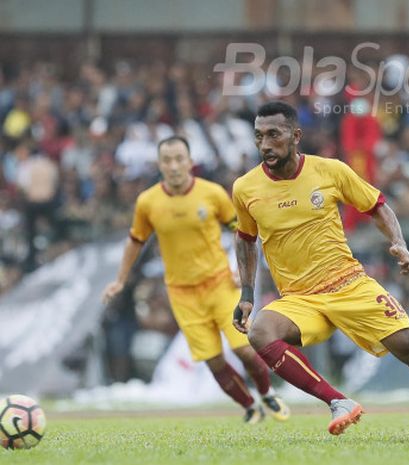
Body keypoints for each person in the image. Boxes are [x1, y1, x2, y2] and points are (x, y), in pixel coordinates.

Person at [231, 101, 409, 442]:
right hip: (299, 299)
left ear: (295, 136)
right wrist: (247, 295)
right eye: (259, 136)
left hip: (349, 285)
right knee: (260, 332)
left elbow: (377, 205)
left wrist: (398, 241)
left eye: (274, 135)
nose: (265, 145)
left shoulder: (330, 171)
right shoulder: (245, 188)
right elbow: (246, 239)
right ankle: (338, 401)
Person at [102, 135, 290, 424]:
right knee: (213, 360)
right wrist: (120, 279)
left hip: (220, 285)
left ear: (190, 162)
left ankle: (267, 394)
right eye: (167, 160)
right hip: (182, 293)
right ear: (160, 164)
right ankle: (250, 406)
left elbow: (242, 232)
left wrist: (243, 271)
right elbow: (135, 240)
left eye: (179, 159)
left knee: (245, 350)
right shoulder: (148, 202)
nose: (174, 166)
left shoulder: (212, 194)